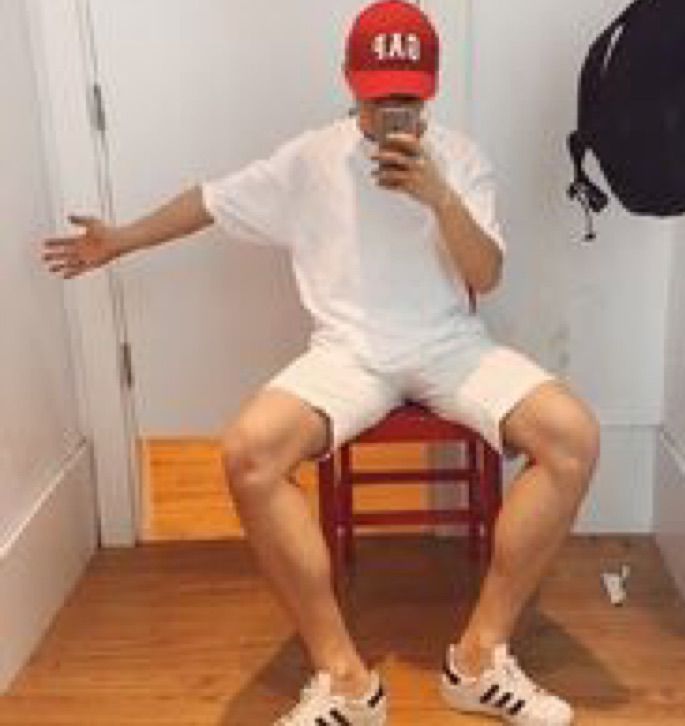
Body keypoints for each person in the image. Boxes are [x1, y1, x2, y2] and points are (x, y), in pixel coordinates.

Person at [41, 2, 600, 724]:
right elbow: (208, 201)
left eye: (407, 98)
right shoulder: (310, 160)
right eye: (378, 96)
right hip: (349, 353)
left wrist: (438, 197)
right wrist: (119, 239)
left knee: (573, 437)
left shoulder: (461, 159)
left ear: (430, 88)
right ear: (349, 80)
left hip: (450, 345)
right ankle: (345, 681)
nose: (392, 112)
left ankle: (478, 659)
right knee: (247, 453)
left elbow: (485, 276)